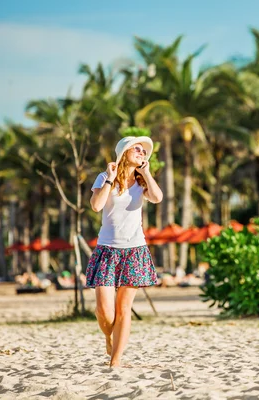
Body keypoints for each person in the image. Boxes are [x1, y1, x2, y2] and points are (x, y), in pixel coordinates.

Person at [87, 135, 163, 368]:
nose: (142, 153)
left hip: (134, 251)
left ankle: (116, 361)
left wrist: (147, 173)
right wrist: (110, 179)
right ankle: (108, 336)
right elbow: (96, 205)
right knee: (105, 311)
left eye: (143, 151)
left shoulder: (142, 182)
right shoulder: (104, 177)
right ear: (123, 152)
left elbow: (157, 198)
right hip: (107, 250)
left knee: (123, 309)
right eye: (136, 149)